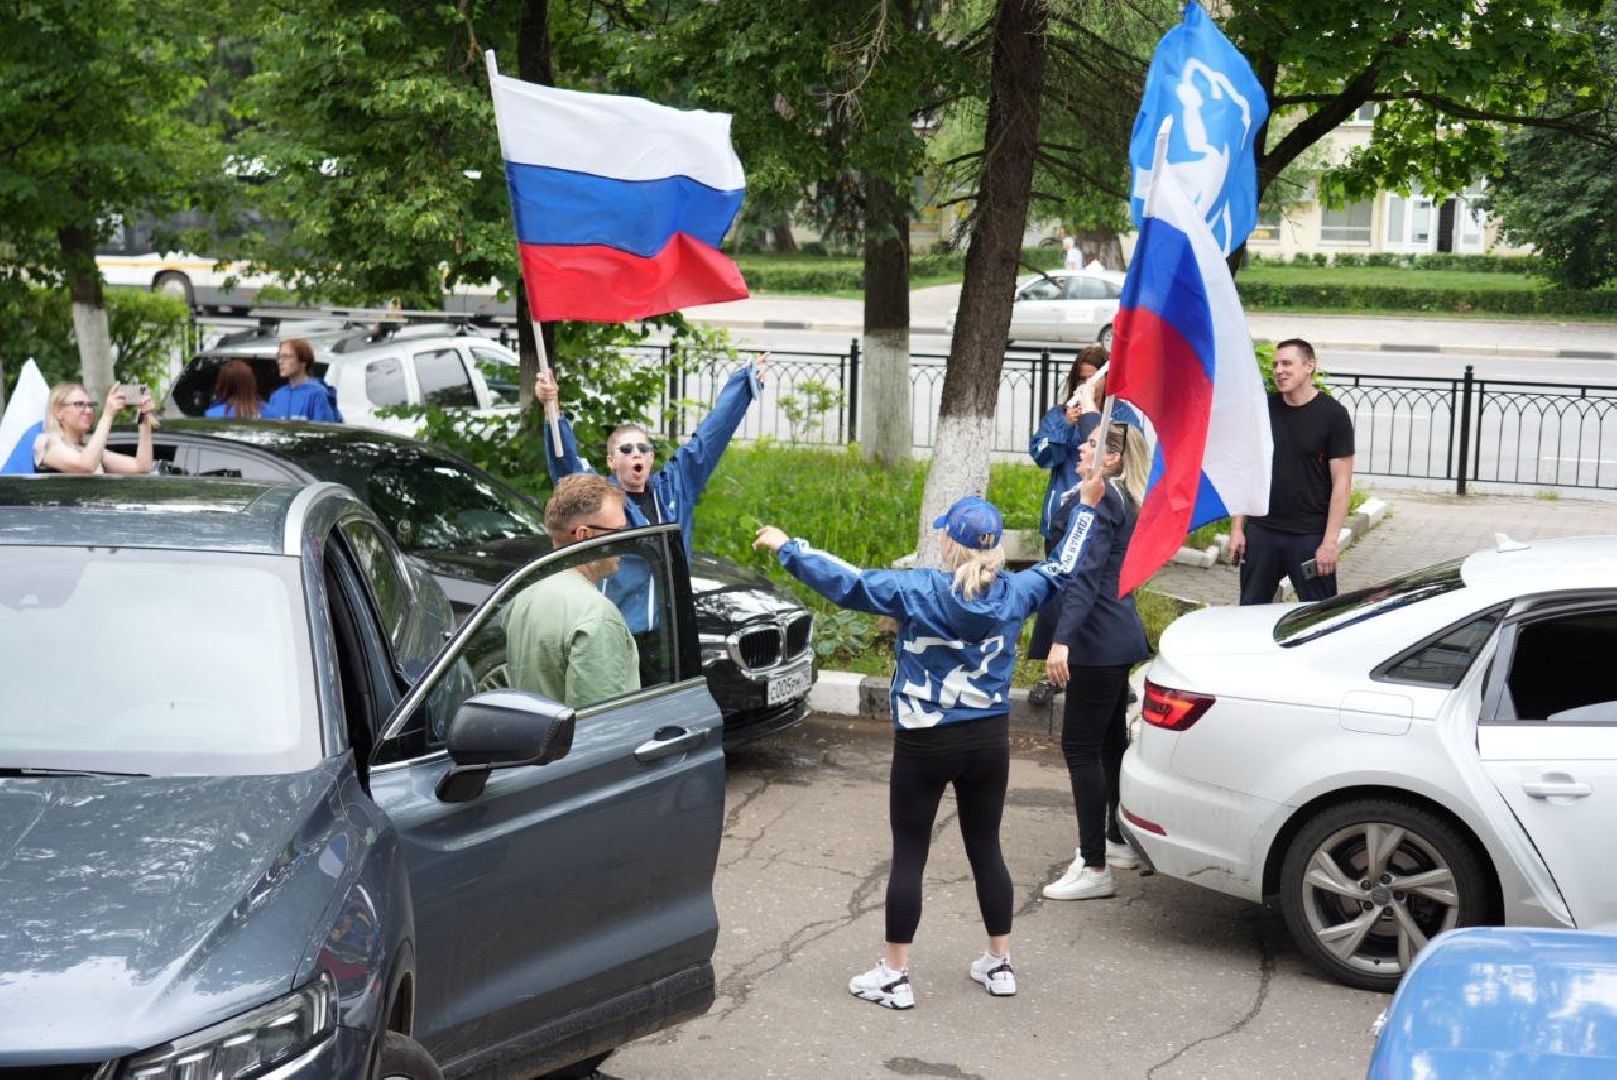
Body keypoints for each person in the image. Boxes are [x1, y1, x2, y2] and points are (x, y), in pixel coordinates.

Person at [753, 486, 1101, 1010]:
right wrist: (1088, 508)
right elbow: (1065, 566)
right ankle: (1000, 964)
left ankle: (895, 976)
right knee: (986, 848)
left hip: (925, 739)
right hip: (988, 738)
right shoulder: (1020, 591)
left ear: (950, 543)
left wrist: (789, 547)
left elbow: (849, 582)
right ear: (995, 548)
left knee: (911, 853)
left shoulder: (915, 589)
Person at [534, 355, 766, 630]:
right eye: (626, 450)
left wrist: (744, 385)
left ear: (651, 457)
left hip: (672, 631)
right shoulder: (602, 499)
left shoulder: (675, 487)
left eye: (643, 449)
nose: (637, 454)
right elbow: (567, 466)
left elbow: (710, 437)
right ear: (611, 461)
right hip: (622, 628)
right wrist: (552, 409)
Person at [1041, 419, 1153, 902]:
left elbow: (1083, 576)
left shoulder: (1103, 499)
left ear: (1112, 459)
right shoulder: (1111, 495)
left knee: (1081, 750)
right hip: (1113, 636)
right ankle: (1116, 839)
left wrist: (1062, 640)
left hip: (1094, 640)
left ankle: (1093, 866)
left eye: (1090, 444)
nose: (1080, 448)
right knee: (1108, 744)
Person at [1229, 338, 1355, 605]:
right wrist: (1238, 528)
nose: (1279, 370)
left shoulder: (1333, 415)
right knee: (1250, 610)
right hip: (1262, 531)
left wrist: (1330, 542)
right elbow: (1246, 470)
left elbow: (1342, 484)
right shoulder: (1264, 410)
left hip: (1309, 536)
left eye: (1287, 364)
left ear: (1309, 366)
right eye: (1275, 365)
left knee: (1318, 614)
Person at [504, 474, 640, 710]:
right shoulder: (596, 615)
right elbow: (600, 723)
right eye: (617, 532)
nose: (624, 541)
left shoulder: (524, 594)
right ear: (585, 536)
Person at [1025, 347, 1107, 708]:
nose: (1087, 384)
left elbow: (1123, 458)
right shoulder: (1060, 415)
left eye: (1094, 378)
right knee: (1056, 599)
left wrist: (1092, 420)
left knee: (1098, 597)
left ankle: (1104, 671)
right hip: (1061, 520)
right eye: (1081, 378)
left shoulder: (1117, 413)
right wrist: (1065, 425)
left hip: (1101, 520)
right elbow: (1042, 456)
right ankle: (1052, 674)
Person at [33, 383, 155, 474]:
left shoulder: (88, 450)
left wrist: (143, 419)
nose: (88, 411)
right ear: (58, 412)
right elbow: (85, 466)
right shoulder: (46, 443)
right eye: (79, 404)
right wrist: (108, 414)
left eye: (90, 405)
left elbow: (141, 467)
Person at [265, 338, 342, 422]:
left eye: (286, 357)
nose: (280, 361)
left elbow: (324, 427)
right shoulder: (277, 396)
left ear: (303, 362)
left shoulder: (317, 394)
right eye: (279, 357)